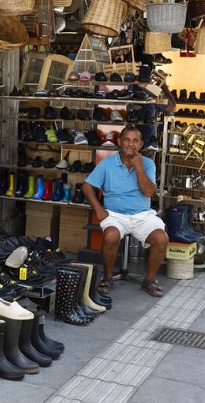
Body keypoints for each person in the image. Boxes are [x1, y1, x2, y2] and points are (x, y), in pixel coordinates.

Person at [82, 124, 169, 298]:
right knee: (111, 236)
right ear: (120, 142)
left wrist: (139, 168)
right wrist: (99, 210)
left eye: (135, 141)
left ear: (141, 145)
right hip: (114, 215)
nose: (131, 144)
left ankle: (149, 280)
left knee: (162, 238)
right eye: (127, 140)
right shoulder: (108, 163)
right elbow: (87, 186)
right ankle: (107, 277)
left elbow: (149, 192)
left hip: (142, 215)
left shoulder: (147, 163)